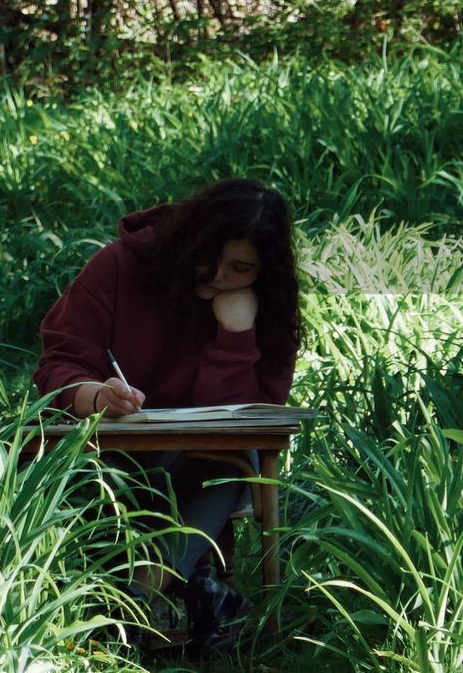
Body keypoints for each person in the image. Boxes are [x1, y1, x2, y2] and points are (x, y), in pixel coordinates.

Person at [32, 177, 301, 651]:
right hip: (110, 453)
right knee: (105, 469)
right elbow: (58, 362)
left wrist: (236, 334)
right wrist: (97, 395)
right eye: (209, 256)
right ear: (188, 239)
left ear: (264, 272)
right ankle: (182, 596)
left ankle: (132, 600)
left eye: (239, 268)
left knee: (232, 462)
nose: (217, 276)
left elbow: (248, 418)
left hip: (207, 464)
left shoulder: (267, 308)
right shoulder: (119, 266)